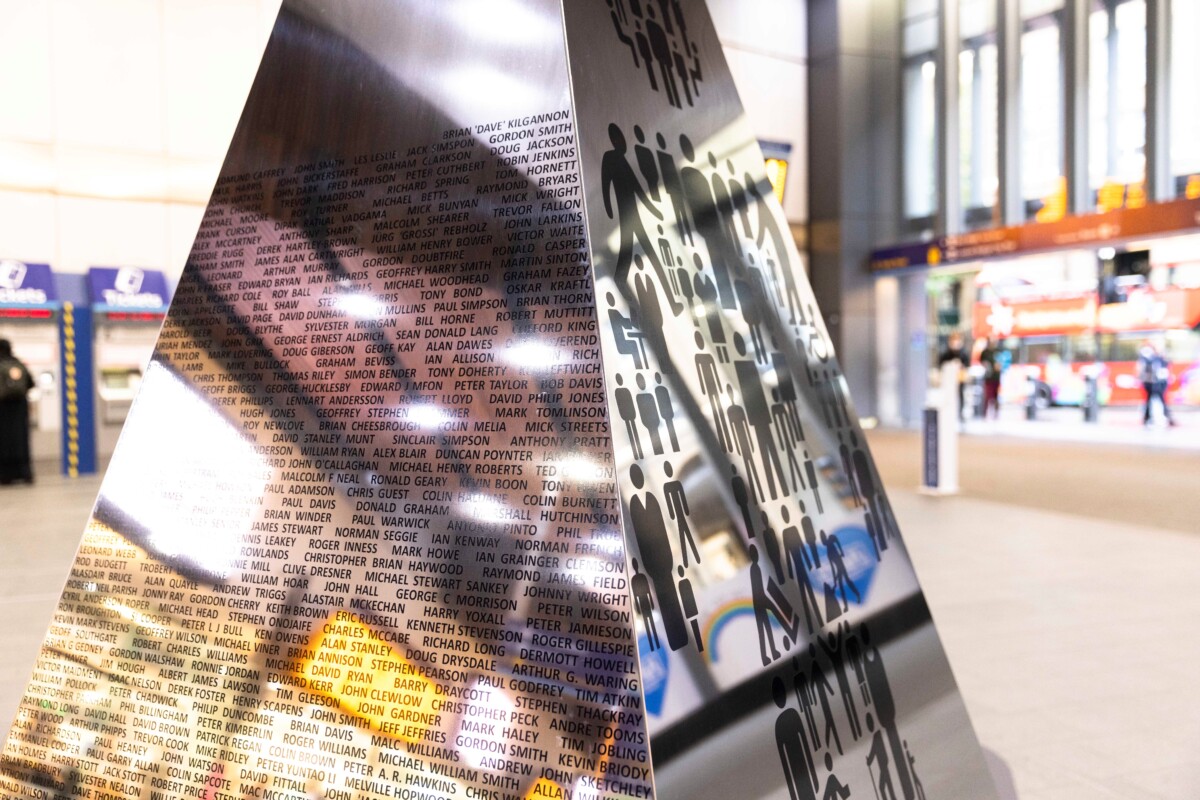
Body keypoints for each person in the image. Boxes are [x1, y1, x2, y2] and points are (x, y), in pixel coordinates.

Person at [0, 339, 35, 484]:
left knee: (3, 441)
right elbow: (31, 383)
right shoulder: (19, 364)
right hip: (20, 408)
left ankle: (6, 475)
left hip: (2, 409)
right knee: (21, 440)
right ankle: (25, 473)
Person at [1137, 340, 1176, 427]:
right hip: (1150, 382)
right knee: (1151, 400)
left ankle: (1164, 417)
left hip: (1159, 381)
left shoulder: (1160, 358)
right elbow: (1143, 369)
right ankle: (1148, 418)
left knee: (1159, 399)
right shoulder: (1148, 357)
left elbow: (1167, 367)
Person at [937, 332, 969, 420]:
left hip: (960, 379)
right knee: (949, 396)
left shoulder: (963, 353)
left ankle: (960, 413)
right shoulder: (945, 353)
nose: (955, 342)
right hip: (948, 380)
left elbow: (967, 364)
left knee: (960, 395)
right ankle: (949, 412)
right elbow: (940, 365)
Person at [978, 338, 1003, 419]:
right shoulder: (985, 352)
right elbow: (981, 361)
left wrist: (999, 366)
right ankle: (985, 414)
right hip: (988, 377)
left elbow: (1003, 362)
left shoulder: (998, 351)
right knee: (987, 396)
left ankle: (996, 413)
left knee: (997, 396)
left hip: (997, 377)